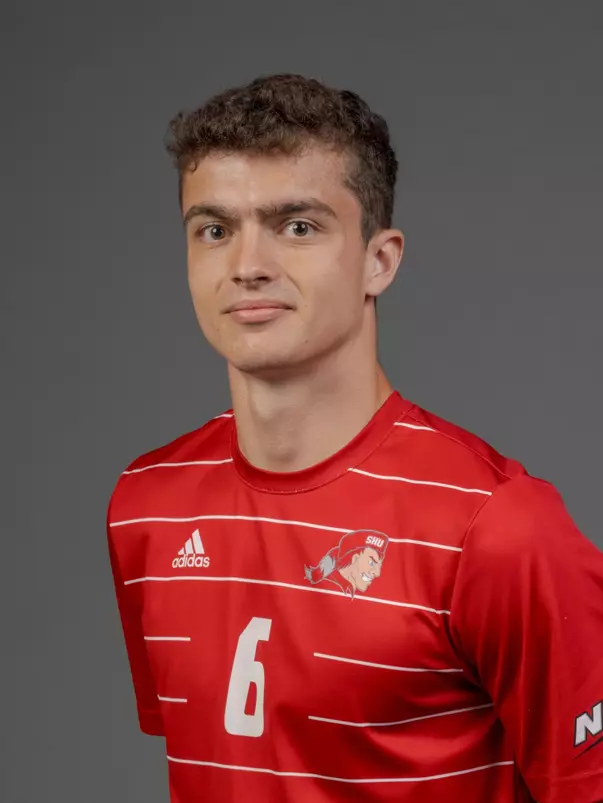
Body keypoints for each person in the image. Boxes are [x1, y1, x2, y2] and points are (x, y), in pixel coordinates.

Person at [106, 73, 603, 803]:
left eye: (297, 226)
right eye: (214, 229)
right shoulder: (146, 505)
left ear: (380, 259)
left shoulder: (495, 527)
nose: (247, 265)